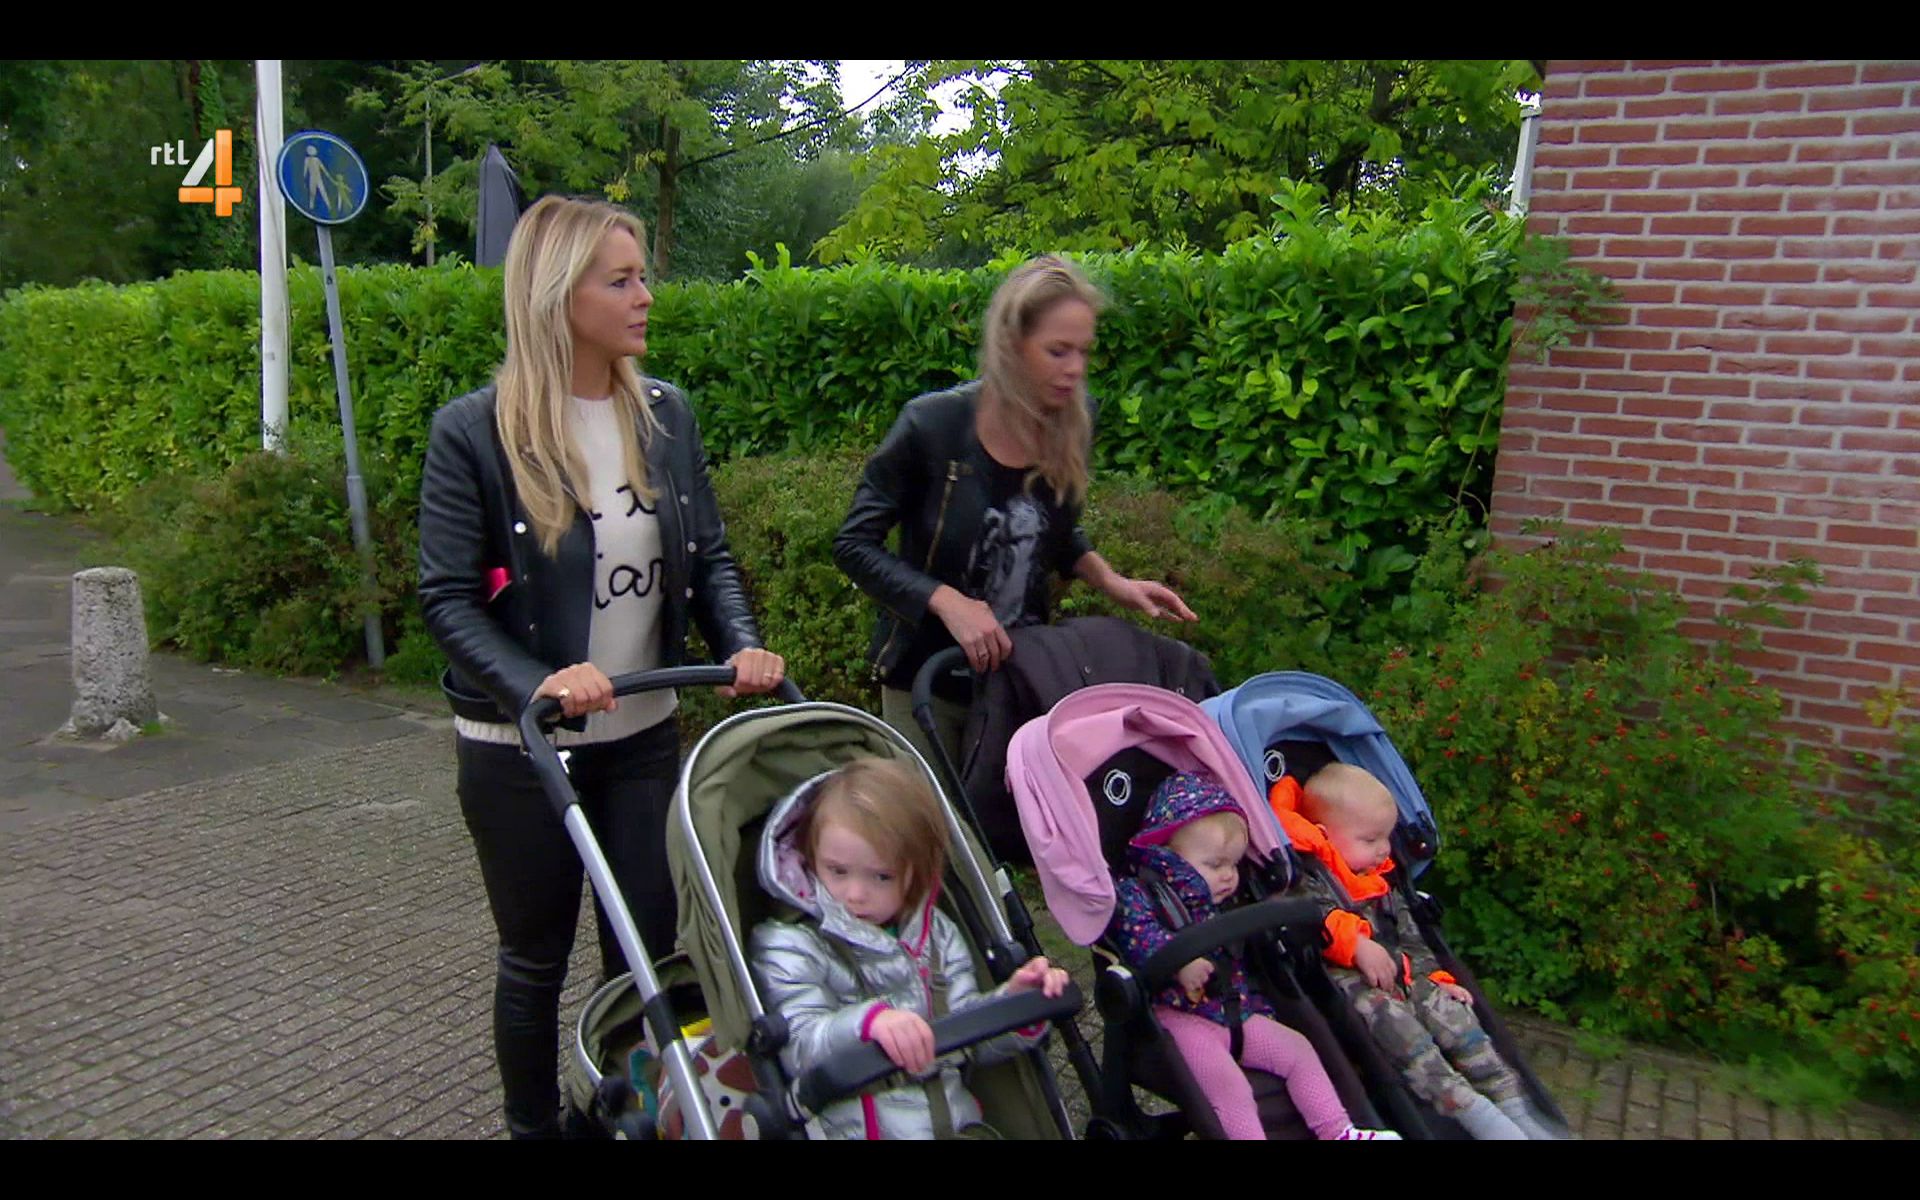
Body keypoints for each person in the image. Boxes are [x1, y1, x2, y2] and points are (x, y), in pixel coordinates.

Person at [416, 194, 786, 1139]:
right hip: (520, 749)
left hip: (643, 736)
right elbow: (447, 599)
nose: (645, 296)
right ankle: (532, 1126)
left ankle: (630, 1117)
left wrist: (739, 642)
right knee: (534, 958)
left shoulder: (666, 416)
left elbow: (708, 558)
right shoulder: (476, 432)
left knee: (647, 953)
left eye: (642, 277)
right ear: (558, 295)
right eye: (621, 281)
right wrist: (536, 684)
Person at [833, 255, 1195, 767]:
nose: (1075, 370)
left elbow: (1054, 528)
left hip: (1021, 681)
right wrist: (947, 602)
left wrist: (1111, 580)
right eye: (1057, 351)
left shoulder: (1075, 420)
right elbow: (853, 545)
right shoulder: (931, 426)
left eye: (1083, 352)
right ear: (1011, 344)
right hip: (926, 686)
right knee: (932, 817)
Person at [748, 757, 1071, 1139]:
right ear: (809, 855)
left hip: (957, 1126)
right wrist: (868, 1024)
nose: (855, 894)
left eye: (881, 876)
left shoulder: (937, 935)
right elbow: (800, 1046)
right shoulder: (791, 945)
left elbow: (969, 1039)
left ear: (915, 870)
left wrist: (1013, 1005)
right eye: (837, 870)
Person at [1108, 770, 1401, 1140]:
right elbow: (1138, 935)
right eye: (1215, 865)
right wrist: (1178, 961)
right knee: (1230, 1088)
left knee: (1299, 1050)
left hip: (1237, 1012)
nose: (1228, 876)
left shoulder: (1226, 901)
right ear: (1167, 854)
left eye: (1233, 864)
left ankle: (1338, 1131)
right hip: (1180, 1019)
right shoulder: (1139, 895)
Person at [1274, 762, 1561, 1139]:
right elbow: (1314, 917)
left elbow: (1411, 939)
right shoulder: (1309, 878)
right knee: (1408, 1037)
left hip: (1408, 976)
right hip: (1357, 989)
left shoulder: (1381, 882)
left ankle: (1514, 1106)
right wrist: (1356, 944)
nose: (1383, 849)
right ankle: (1478, 1116)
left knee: (1460, 1020)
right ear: (1325, 835)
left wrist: (1437, 978)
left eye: (1386, 837)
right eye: (1370, 840)